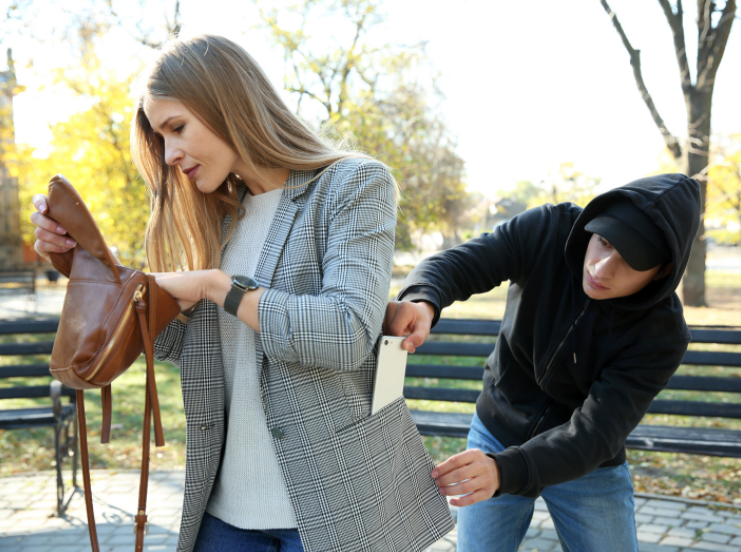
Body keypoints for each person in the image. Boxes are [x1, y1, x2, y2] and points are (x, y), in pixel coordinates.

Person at [30, 34, 453, 552]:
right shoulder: (219, 220)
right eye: (161, 139)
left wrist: (216, 286)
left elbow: (346, 332)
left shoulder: (353, 185)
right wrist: (84, 266)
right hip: (225, 513)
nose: (169, 154)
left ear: (227, 103)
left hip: (334, 513)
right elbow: (179, 344)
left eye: (177, 128)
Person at [384, 174, 702, 552]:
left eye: (630, 261)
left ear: (662, 270)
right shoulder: (550, 229)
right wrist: (423, 299)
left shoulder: (662, 334)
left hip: (584, 461)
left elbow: (596, 432)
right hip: (497, 432)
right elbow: (462, 263)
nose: (601, 268)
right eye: (603, 242)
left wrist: (505, 471)